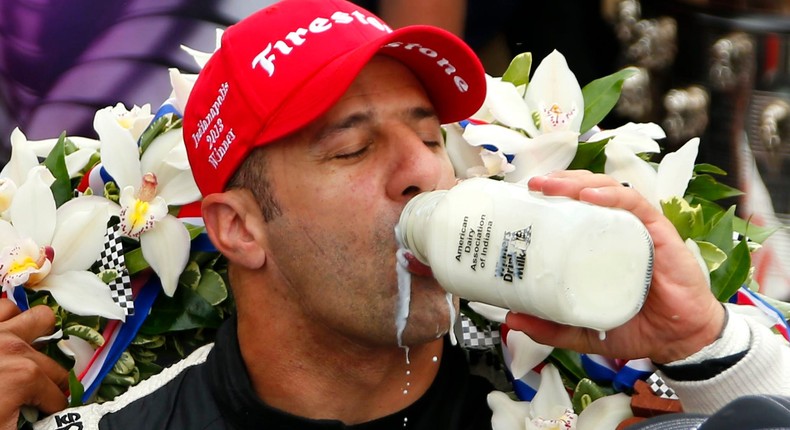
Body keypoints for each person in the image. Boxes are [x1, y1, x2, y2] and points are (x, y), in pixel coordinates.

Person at [3, 0, 788, 429]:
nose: (423, 173)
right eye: (352, 150)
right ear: (238, 229)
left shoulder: (572, 402)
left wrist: (706, 347)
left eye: (428, 134)